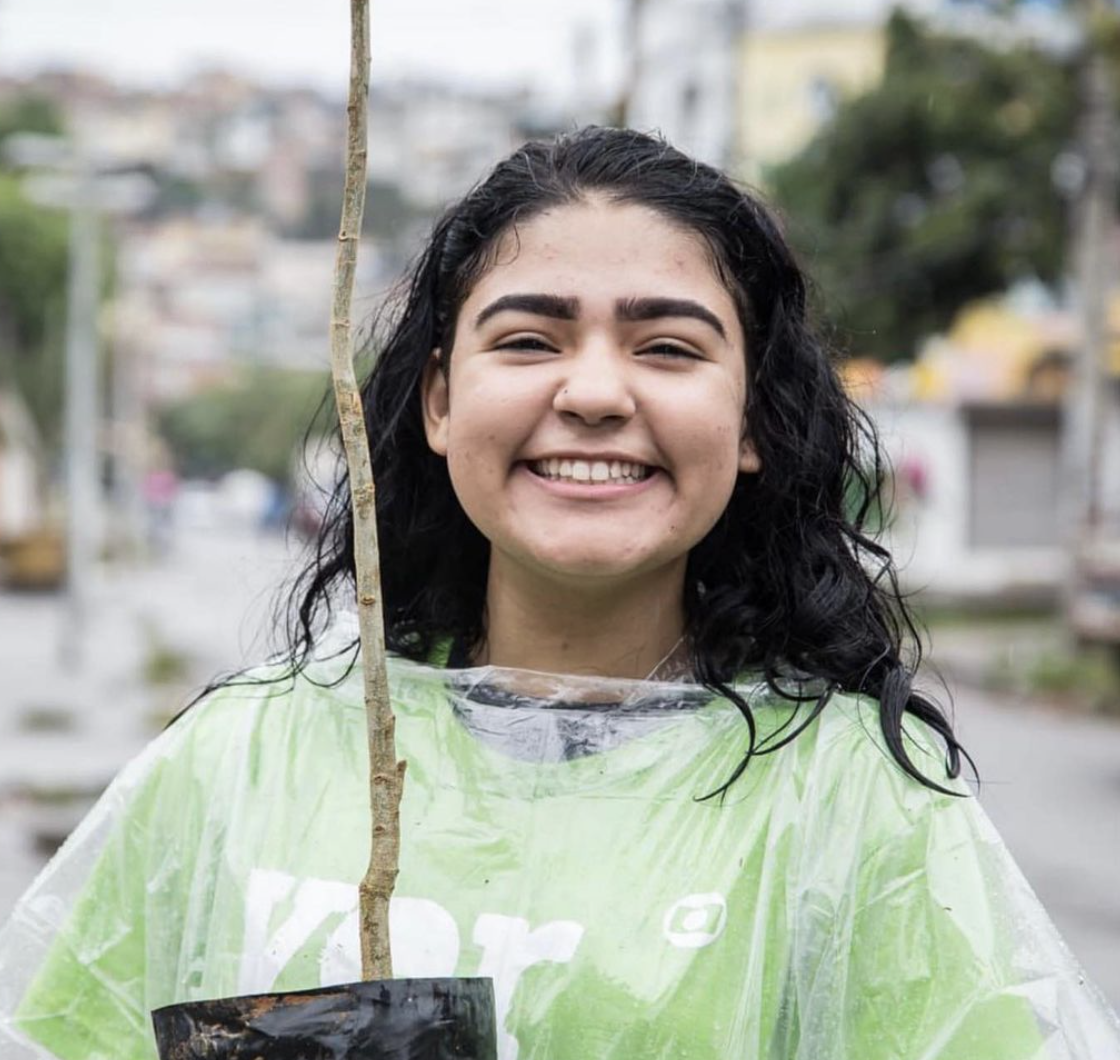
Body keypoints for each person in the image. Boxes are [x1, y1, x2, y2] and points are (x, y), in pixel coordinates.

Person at [2, 126, 1119, 1060]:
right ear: (439, 402)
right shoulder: (236, 765)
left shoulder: (858, 814)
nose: (591, 392)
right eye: (529, 338)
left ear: (749, 426)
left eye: (668, 348)